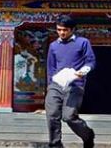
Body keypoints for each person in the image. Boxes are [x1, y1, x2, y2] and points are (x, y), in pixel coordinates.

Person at [45, 15, 96, 148]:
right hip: (56, 85)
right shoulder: (53, 46)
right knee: (52, 115)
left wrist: (83, 71)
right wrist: (50, 85)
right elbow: (51, 67)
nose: (62, 32)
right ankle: (55, 144)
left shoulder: (83, 42)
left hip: (75, 85)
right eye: (59, 29)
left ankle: (88, 135)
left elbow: (90, 61)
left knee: (69, 117)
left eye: (65, 30)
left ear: (72, 29)